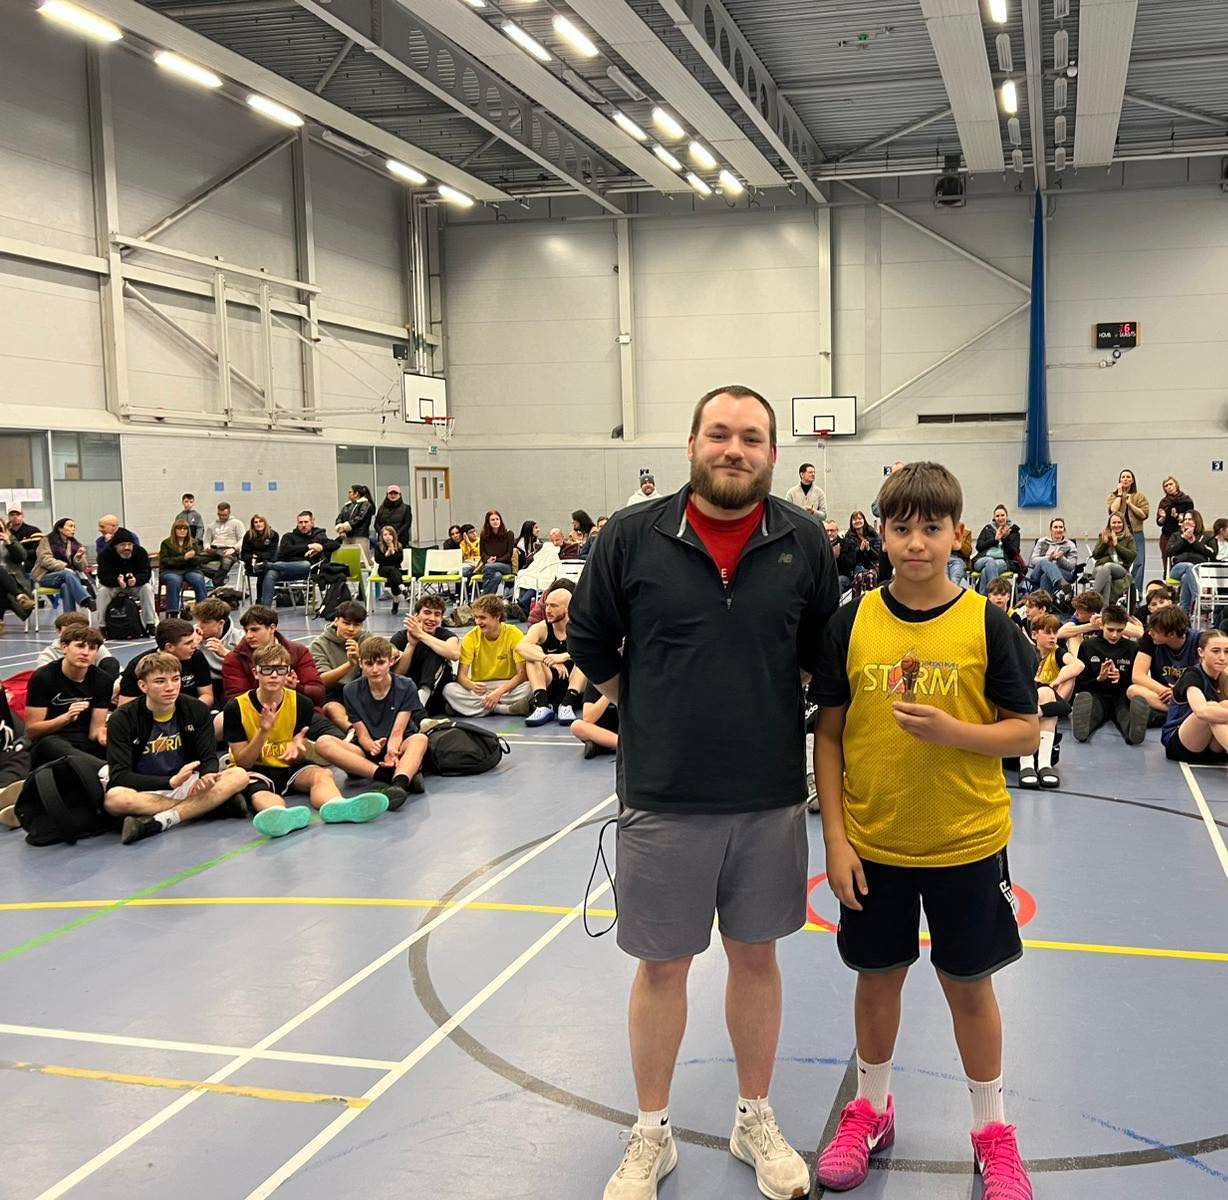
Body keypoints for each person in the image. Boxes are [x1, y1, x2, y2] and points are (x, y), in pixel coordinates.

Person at [569, 384, 840, 1200]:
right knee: (662, 969)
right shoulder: (630, 536)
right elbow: (589, 638)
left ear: (773, 454)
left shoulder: (804, 541)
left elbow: (818, 652)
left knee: (756, 958)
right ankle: (652, 1131)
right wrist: (649, 707)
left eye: (751, 438)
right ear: (692, 445)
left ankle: (754, 1115)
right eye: (719, 434)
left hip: (768, 795)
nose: (734, 449)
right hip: (663, 795)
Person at [810, 461, 1038, 1197]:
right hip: (874, 845)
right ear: (881, 533)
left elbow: (1027, 731)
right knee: (877, 981)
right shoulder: (850, 623)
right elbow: (829, 736)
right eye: (902, 527)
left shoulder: (987, 625)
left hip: (965, 844)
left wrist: (954, 732)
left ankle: (991, 1131)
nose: (916, 542)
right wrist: (836, 840)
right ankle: (871, 1109)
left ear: (957, 535)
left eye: (931, 528)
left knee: (969, 988)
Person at [224, 642, 389, 839]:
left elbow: (298, 751)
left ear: (288, 673)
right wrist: (263, 732)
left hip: (288, 766)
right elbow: (243, 762)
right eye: (267, 669)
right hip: (255, 769)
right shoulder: (236, 708)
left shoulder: (301, 703)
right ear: (256, 673)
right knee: (259, 792)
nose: (274, 675)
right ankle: (279, 815)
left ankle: (336, 805)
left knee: (321, 775)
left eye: (280, 669)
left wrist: (298, 749)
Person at [104, 651, 250, 846]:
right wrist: (169, 782)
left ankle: (163, 819)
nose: (170, 687)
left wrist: (207, 774)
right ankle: (210, 808)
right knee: (115, 799)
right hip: (146, 788)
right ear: (143, 686)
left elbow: (208, 756)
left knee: (239, 775)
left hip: (188, 784)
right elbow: (120, 775)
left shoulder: (196, 709)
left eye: (175, 679)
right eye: (160, 681)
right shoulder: (122, 719)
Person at [342, 637, 428, 796]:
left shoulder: (406, 686)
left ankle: (399, 785)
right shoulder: (350, 690)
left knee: (420, 739)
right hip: (368, 750)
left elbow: (397, 732)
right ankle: (388, 775)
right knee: (324, 743)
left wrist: (392, 751)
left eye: (380, 663)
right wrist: (371, 746)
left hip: (399, 745)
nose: (375, 669)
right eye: (369, 664)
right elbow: (362, 735)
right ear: (360, 663)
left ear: (391, 661)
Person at [25, 626, 111, 766]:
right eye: (80, 646)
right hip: (52, 740)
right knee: (51, 744)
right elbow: (32, 731)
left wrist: (103, 736)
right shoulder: (43, 677)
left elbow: (94, 731)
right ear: (64, 647)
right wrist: (66, 718)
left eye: (92, 648)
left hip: (84, 741)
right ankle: (103, 769)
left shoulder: (103, 680)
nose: (86, 653)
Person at [442, 595, 533, 717]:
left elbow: (522, 674)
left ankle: (467, 707)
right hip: (481, 688)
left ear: (497, 616)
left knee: (530, 687)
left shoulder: (514, 634)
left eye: (482, 618)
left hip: (507, 686)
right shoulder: (471, 637)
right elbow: (461, 677)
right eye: (476, 617)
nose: (477, 622)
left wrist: (499, 692)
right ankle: (503, 709)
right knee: (449, 689)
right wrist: (472, 685)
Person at [1070, 604, 1149, 744]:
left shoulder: (1133, 648)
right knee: (1092, 710)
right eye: (1110, 629)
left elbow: (1137, 682)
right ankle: (1082, 729)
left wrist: (1120, 678)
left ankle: (1133, 733)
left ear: (1125, 627)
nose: (1114, 635)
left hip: (1122, 696)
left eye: (1120, 630)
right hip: (1097, 695)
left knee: (1125, 714)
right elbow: (1080, 684)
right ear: (1102, 625)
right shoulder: (1088, 646)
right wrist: (1099, 679)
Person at [221, 604, 326, 709]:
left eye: (254, 630)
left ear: (272, 628)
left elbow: (319, 694)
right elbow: (235, 701)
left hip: (296, 709)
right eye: (246, 630)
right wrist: (269, 688)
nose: (249, 636)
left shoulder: (298, 651)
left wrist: (297, 688)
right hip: (254, 714)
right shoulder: (234, 659)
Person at [1018, 614, 1075, 789]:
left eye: (1055, 633)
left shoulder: (1056, 655)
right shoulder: (1011, 684)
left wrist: (1040, 711)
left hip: (1043, 747)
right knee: (1025, 700)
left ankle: (1044, 764)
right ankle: (1026, 764)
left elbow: (1065, 707)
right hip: (1013, 749)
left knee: (1045, 692)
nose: (1052, 637)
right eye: (1047, 632)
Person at [518, 580, 585, 727]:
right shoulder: (541, 627)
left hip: (576, 684)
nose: (548, 610)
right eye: (547, 605)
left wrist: (564, 656)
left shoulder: (581, 627)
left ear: (568, 608)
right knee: (532, 655)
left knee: (585, 659)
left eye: (554, 606)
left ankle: (567, 705)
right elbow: (520, 647)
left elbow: (596, 649)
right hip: (551, 681)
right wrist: (547, 659)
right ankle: (542, 705)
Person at [1161, 629, 1228, 764]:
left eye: (1227, 651)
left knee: (1224, 705)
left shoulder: (1224, 676)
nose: (1222, 657)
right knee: (1211, 708)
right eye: (1215, 651)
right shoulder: (1192, 675)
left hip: (1210, 746)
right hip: (1181, 743)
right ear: (1201, 652)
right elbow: (1202, 712)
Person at [116, 618, 214, 709]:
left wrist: (187, 712)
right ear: (169, 647)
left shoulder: (196, 657)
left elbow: (207, 696)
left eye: (194, 640)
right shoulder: (140, 665)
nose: (195, 645)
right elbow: (125, 707)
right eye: (188, 643)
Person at [1128, 605, 1198, 725]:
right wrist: (1169, 692)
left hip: (1191, 695)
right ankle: (1184, 715)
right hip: (1163, 695)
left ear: (1171, 634)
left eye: (1155, 631)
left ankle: (1168, 715)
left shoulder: (1199, 640)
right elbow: (1138, 676)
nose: (1150, 633)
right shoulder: (1149, 639)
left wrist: (1179, 693)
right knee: (1133, 690)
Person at [391, 595, 461, 713]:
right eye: (427, 613)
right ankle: (417, 703)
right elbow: (397, 673)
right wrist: (411, 644)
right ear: (416, 615)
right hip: (408, 693)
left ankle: (421, 700)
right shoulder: (400, 637)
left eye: (437, 614)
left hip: (436, 696)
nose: (432, 618)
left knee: (436, 651)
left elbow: (454, 654)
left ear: (441, 618)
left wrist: (420, 635)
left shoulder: (446, 635)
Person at [310, 600, 370, 732]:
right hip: (335, 692)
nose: (351, 629)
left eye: (357, 625)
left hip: (363, 688)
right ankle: (353, 732)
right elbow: (322, 681)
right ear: (336, 621)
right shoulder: (319, 644)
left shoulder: (366, 638)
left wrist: (392, 652)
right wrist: (350, 664)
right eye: (346, 623)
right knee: (332, 708)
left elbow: (390, 651)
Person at [259, 511, 340, 606]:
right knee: (271, 573)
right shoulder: (288, 536)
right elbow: (286, 550)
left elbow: (336, 544)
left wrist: (321, 547)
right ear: (297, 523)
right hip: (286, 570)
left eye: (306, 522)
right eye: (300, 522)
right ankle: (265, 609)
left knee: (306, 564)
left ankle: (268, 565)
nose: (303, 525)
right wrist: (309, 546)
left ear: (312, 522)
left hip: (306, 572)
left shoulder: (318, 537)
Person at [95, 526, 157, 635]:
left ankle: (150, 624)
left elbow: (146, 573)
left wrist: (136, 580)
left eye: (129, 544)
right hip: (114, 586)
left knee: (147, 588)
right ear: (116, 546)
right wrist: (117, 581)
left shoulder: (140, 552)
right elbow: (103, 576)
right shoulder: (106, 554)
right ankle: (102, 626)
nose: (127, 548)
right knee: (103, 592)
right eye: (123, 545)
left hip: (135, 586)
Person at [32, 517, 93, 613]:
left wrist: (78, 557)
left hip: (68, 578)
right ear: (60, 528)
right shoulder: (46, 540)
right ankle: (86, 600)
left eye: (74, 527)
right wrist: (63, 567)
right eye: (70, 526)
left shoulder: (76, 545)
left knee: (66, 586)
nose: (73, 529)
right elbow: (45, 559)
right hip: (45, 576)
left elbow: (82, 567)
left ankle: (69, 618)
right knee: (67, 574)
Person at [1107, 469, 1149, 593]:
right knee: (1119, 562)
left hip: (1136, 533)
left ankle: (1136, 591)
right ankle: (1120, 590)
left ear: (1132, 480)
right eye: (1123, 477)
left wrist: (1130, 504)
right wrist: (1120, 495)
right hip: (1119, 534)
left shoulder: (1139, 496)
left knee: (1138, 562)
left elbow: (1144, 514)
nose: (1125, 479)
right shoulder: (1113, 496)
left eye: (1128, 477)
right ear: (1119, 480)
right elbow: (1113, 511)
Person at [193, 596, 244, 698]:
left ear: (220, 623)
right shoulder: (193, 633)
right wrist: (191, 646)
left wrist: (227, 654)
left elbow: (251, 667)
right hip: (203, 682)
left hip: (229, 682)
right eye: (198, 621)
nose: (199, 626)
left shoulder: (239, 638)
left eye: (205, 622)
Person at [159, 517, 211, 616]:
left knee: (198, 579)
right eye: (179, 528)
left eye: (185, 529)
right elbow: (165, 561)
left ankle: (203, 609)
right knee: (174, 580)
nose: (182, 531)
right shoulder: (166, 543)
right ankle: (173, 611)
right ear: (174, 530)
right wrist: (184, 558)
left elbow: (198, 560)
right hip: (171, 571)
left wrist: (192, 558)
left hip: (190, 570)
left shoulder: (193, 543)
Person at [1167, 511, 1215, 615]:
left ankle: (1184, 613)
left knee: (1186, 578)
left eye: (1190, 519)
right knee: (1189, 567)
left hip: (1199, 570)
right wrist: (1183, 539)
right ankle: (1199, 600)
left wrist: (1194, 542)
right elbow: (1169, 552)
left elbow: (1212, 553)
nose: (1187, 521)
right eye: (1185, 519)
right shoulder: (1176, 535)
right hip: (1178, 568)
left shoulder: (1206, 537)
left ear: (1197, 521)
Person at [972, 504, 1023, 595]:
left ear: (1007, 516)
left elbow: (1013, 553)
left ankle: (984, 598)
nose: (1000, 518)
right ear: (994, 518)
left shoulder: (1014, 532)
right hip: (983, 559)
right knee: (990, 561)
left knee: (985, 571)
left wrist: (1005, 538)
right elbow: (979, 547)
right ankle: (996, 594)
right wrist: (994, 540)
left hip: (1003, 561)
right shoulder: (987, 529)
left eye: (1002, 515)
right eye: (997, 516)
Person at [1089, 513, 1136, 608]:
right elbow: (1095, 555)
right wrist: (1104, 543)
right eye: (1114, 522)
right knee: (1107, 575)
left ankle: (1092, 598)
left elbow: (1132, 556)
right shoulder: (1103, 535)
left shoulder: (1128, 537)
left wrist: (1116, 545)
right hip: (1100, 567)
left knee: (1108, 566)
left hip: (1120, 568)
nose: (1116, 525)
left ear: (1123, 524)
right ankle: (1105, 609)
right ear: (1109, 524)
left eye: (1119, 522)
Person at [1025, 517, 1077, 595]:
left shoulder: (1070, 545)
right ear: (1051, 529)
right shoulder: (1042, 541)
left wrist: (1061, 559)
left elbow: (1071, 566)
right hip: (1038, 574)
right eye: (1055, 527)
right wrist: (1049, 558)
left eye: (1061, 527)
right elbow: (1033, 561)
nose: (1058, 529)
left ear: (1064, 529)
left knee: (1046, 576)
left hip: (1062, 573)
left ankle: (1045, 601)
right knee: (1044, 562)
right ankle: (1060, 581)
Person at [1155, 475, 1194, 576]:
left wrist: (1177, 516)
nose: (1169, 487)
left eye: (1171, 484)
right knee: (1166, 563)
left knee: (1181, 561)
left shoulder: (1187, 500)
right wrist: (1163, 517)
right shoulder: (1164, 502)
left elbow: (1190, 519)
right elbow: (1159, 522)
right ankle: (1167, 581)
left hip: (1182, 536)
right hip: (1167, 536)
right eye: (1166, 486)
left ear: (1176, 485)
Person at [0, 519, 35, 626]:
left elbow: (22, 556)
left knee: (2, 587)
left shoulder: (10, 539)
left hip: (12, 579)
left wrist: (9, 543)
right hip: (11, 586)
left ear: (4, 528)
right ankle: (20, 596)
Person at [569, 682, 618, 759]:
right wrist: (609, 694)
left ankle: (601, 746)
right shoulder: (596, 681)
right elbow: (588, 717)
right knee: (576, 726)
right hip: (601, 731)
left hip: (625, 729)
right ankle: (622, 744)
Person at [205, 502, 245, 586]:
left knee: (226, 561)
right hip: (214, 549)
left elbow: (243, 539)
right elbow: (207, 540)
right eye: (220, 515)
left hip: (229, 549)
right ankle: (219, 577)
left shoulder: (237, 523)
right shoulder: (212, 525)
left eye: (224, 515)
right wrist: (207, 547)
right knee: (194, 560)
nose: (222, 517)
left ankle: (216, 582)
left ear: (229, 512)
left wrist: (234, 548)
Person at [477, 510, 516, 596]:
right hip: (490, 564)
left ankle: (482, 598)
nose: (495, 521)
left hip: (505, 565)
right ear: (488, 522)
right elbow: (482, 553)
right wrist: (488, 559)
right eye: (492, 520)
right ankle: (488, 599)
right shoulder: (484, 535)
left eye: (497, 519)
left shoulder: (509, 534)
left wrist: (496, 559)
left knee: (487, 567)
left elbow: (509, 555)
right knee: (497, 576)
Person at [240, 514, 279, 599]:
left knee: (265, 569)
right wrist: (253, 558)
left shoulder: (273, 535)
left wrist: (257, 556)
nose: (258, 524)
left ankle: (262, 598)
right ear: (253, 524)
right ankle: (261, 598)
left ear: (265, 523)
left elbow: (271, 553)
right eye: (256, 522)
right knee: (262, 570)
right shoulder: (249, 535)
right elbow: (244, 554)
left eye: (261, 521)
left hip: (267, 562)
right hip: (251, 563)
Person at [335, 484, 375, 566]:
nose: (348, 494)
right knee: (347, 562)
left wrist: (345, 527)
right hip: (346, 536)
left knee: (361, 562)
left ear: (356, 493)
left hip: (360, 536)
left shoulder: (366, 504)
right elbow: (339, 518)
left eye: (350, 492)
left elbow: (360, 518)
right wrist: (340, 529)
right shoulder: (347, 506)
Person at [841, 511, 880, 593]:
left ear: (864, 520)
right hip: (857, 568)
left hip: (873, 566)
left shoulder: (873, 535)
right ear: (851, 523)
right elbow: (850, 561)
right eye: (855, 519)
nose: (857, 521)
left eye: (860, 518)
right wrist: (860, 550)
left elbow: (877, 555)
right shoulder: (848, 539)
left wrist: (869, 549)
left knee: (872, 575)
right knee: (862, 576)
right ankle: (858, 599)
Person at [372, 525, 406, 614]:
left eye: (390, 534)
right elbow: (378, 560)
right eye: (385, 534)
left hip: (395, 569)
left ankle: (396, 601)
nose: (388, 536)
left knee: (393, 575)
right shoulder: (378, 546)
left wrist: (393, 552)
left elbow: (399, 560)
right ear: (382, 536)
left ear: (394, 536)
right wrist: (386, 554)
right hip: (383, 569)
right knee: (392, 570)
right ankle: (403, 590)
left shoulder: (399, 546)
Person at [373, 484, 413, 549]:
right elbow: (376, 524)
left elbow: (407, 524)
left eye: (395, 493)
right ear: (387, 495)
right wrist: (383, 534)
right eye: (391, 493)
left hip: (400, 540)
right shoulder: (381, 508)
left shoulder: (406, 508)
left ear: (400, 495)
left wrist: (395, 535)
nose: (393, 495)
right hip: (384, 541)